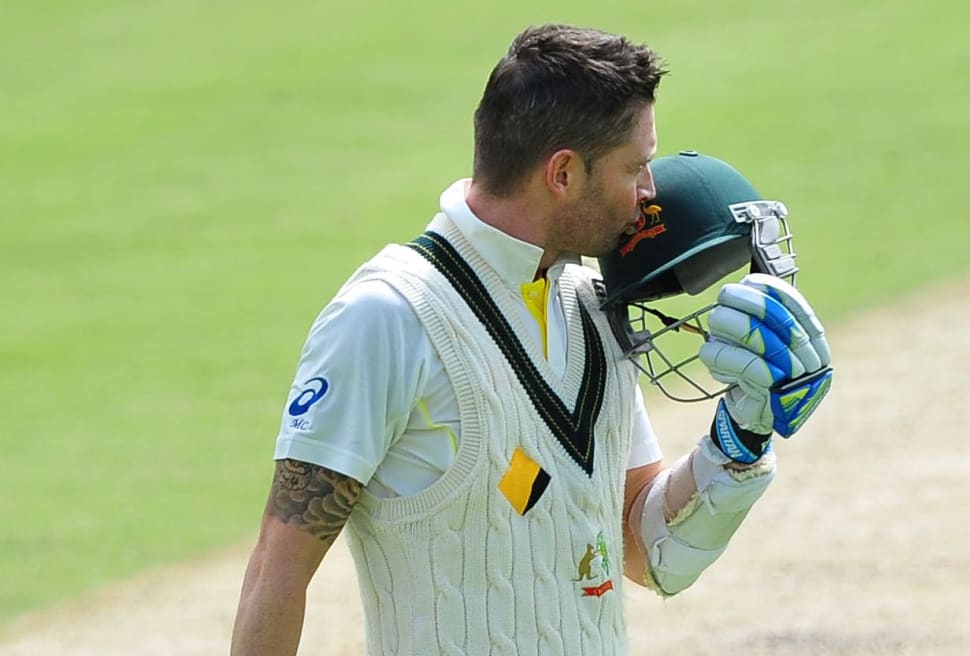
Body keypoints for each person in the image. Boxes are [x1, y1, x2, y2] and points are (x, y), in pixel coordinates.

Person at [230, 24, 832, 656]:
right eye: (635, 167)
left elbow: (646, 551)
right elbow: (278, 569)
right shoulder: (387, 317)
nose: (649, 191)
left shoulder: (592, 304)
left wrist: (738, 440)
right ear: (563, 173)